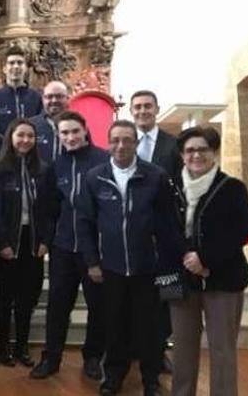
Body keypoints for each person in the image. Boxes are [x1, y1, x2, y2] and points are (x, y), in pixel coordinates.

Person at [78, 120, 175, 396]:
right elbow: (84, 223)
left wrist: (167, 265)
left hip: (149, 268)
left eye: (127, 140)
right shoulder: (95, 177)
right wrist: (92, 262)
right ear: (108, 143)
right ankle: (114, 377)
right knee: (114, 325)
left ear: (135, 142)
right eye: (115, 140)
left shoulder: (155, 176)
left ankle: (150, 381)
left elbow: (168, 224)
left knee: (150, 328)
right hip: (111, 268)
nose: (121, 146)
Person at [165, 126, 248, 396]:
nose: (196, 155)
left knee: (222, 348)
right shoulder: (170, 186)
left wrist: (204, 259)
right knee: (182, 347)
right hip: (178, 275)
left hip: (224, 277)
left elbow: (241, 230)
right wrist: (186, 258)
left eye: (202, 149)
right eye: (190, 150)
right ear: (182, 154)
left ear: (213, 152)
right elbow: (164, 228)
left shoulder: (232, 187)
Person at [31, 110, 108, 380]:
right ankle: (51, 358)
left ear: (85, 130)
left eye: (75, 131)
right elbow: (50, 207)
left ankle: (93, 357)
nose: (71, 137)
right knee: (57, 306)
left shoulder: (104, 160)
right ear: (58, 136)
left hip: (95, 251)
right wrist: (47, 240)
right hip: (63, 248)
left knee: (98, 307)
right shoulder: (55, 165)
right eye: (65, 133)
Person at [0, 118, 54, 368]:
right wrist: (1, 242)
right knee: (5, 297)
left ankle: (22, 346)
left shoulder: (44, 170)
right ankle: (4, 346)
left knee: (27, 297)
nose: (26, 140)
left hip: (34, 242)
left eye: (30, 136)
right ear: (11, 137)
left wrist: (46, 240)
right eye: (21, 135)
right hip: (8, 242)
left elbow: (51, 208)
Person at [131, 89, 181, 372]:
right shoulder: (123, 143)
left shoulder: (173, 146)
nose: (142, 111)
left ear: (156, 108)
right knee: (136, 296)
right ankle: (134, 349)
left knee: (167, 297)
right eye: (137, 107)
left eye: (147, 106)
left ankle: (160, 350)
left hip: (166, 237)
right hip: (133, 236)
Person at [0, 45, 42, 134]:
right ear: (4, 69)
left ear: (26, 68)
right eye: (11, 63)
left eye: (20, 63)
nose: (16, 66)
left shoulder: (37, 97)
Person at [29, 81, 70, 164]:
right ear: (43, 99)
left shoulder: (77, 125)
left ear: (67, 98)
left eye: (59, 96)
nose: (54, 100)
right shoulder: (30, 125)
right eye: (49, 97)